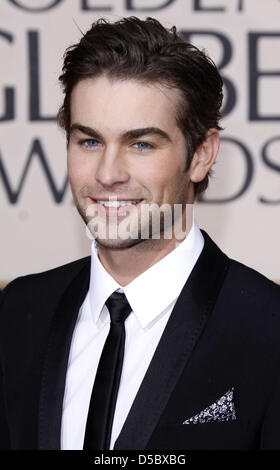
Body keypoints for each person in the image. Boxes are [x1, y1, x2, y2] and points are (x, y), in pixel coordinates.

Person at [1, 16, 280, 451]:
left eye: (142, 144)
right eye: (89, 141)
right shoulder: (18, 314)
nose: (108, 173)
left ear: (202, 155)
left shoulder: (268, 329)